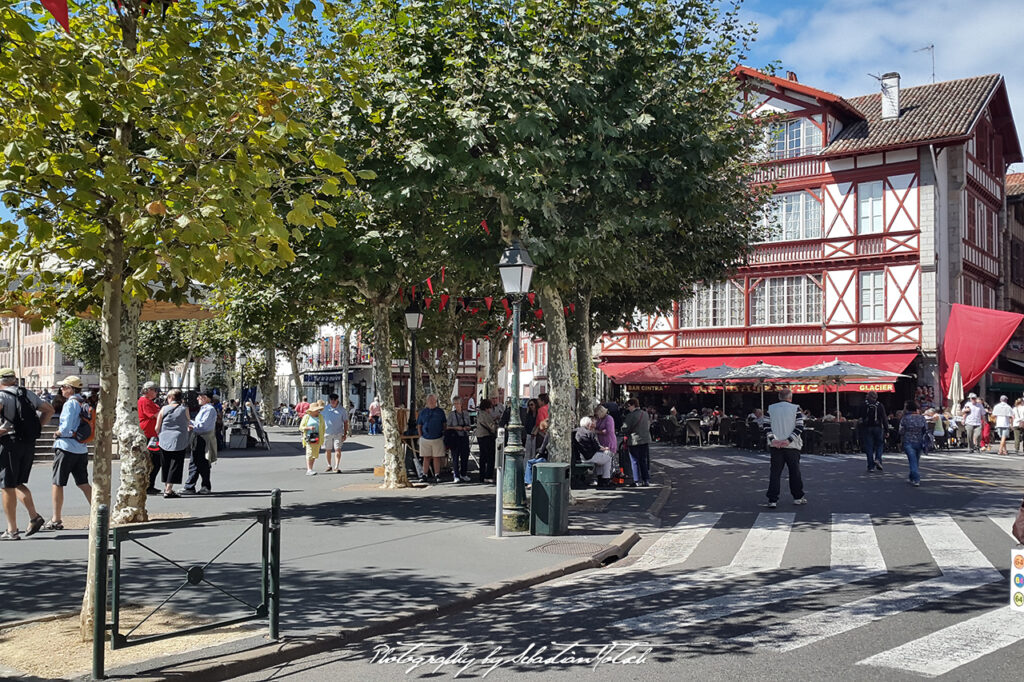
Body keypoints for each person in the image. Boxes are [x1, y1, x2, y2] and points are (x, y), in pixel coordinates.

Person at [0, 368, 54, 540]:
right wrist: (36, 427)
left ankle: (12, 530)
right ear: (14, 379)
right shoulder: (28, 394)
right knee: (16, 483)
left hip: (9, 442)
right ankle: (34, 517)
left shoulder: (2, 396)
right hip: (27, 443)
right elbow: (49, 410)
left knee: (7, 486)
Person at [48, 376, 94, 527]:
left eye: (64, 387)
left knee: (58, 483)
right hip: (80, 448)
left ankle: (56, 518)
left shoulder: (70, 404)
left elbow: (66, 427)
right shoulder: (83, 402)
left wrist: (58, 432)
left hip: (66, 446)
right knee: (83, 483)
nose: (61, 389)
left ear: (71, 389)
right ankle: (99, 513)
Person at [762, 388, 807, 508]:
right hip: (792, 445)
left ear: (779, 397)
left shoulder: (771, 409)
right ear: (790, 397)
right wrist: (788, 440)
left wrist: (773, 439)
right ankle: (798, 496)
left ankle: (772, 499)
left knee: (775, 473)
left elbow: (766, 425)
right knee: (794, 472)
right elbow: (799, 426)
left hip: (775, 445)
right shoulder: (795, 408)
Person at [156, 389, 190, 498]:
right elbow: (188, 423)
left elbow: (157, 427)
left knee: (165, 463)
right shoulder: (184, 409)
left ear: (171, 398)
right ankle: (169, 489)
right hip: (179, 439)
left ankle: (167, 486)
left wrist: (160, 434)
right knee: (175, 464)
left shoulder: (163, 409)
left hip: (164, 439)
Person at [182, 391, 217, 494]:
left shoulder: (209, 410)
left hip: (203, 437)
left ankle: (204, 486)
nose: (197, 398)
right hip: (198, 436)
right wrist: (190, 422)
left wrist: (192, 425)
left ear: (205, 398)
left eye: (200, 397)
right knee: (195, 462)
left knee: (202, 462)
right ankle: (190, 486)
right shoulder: (204, 409)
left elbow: (203, 425)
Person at [574, 416, 615, 489]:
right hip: (588, 456)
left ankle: (600, 478)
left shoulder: (576, 431)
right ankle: (605, 479)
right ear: (588, 424)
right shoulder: (589, 433)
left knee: (601, 459)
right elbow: (596, 447)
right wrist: (605, 448)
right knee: (608, 457)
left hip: (580, 456)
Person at [138, 381, 162, 494]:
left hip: (152, 434)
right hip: (149, 435)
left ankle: (150, 484)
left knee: (155, 461)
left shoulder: (150, 402)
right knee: (154, 461)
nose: (156, 392)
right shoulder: (145, 401)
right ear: (148, 391)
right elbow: (153, 415)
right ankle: (148, 485)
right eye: (154, 390)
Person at [417, 394, 447, 484]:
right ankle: (424, 474)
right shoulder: (423, 412)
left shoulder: (440, 412)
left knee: (436, 458)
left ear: (436, 401)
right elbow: (419, 425)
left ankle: (437, 474)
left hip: (437, 438)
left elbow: (444, 424)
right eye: (429, 400)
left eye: (433, 400)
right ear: (427, 402)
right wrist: (420, 436)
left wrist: (444, 434)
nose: (431, 402)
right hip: (425, 438)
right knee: (426, 457)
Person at [621, 399, 652, 486]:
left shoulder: (631, 415)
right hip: (645, 439)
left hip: (634, 440)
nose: (628, 408)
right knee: (643, 460)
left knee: (634, 460)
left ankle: (636, 480)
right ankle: (646, 480)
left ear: (633, 405)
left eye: (628, 406)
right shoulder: (645, 414)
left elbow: (625, 428)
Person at [899, 400, 929, 487]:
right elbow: (925, 429)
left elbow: (901, 431)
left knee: (912, 460)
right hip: (919, 441)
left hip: (908, 441)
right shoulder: (921, 418)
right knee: (916, 460)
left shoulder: (905, 418)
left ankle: (916, 478)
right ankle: (912, 476)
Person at [857, 391, 887, 472]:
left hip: (867, 427)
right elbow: (884, 418)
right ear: (876, 397)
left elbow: (858, 415)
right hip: (878, 427)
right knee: (880, 444)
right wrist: (887, 429)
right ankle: (878, 459)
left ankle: (871, 466)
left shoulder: (863, 404)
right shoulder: (880, 405)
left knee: (869, 446)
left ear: (868, 396)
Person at [446, 397, 472, 483]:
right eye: (455, 404)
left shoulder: (466, 414)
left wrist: (466, 428)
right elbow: (447, 427)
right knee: (455, 457)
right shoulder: (451, 415)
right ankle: (456, 475)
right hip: (455, 437)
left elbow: (469, 425)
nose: (456, 405)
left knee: (465, 456)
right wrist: (455, 428)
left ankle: (463, 474)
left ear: (461, 404)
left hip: (464, 436)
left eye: (458, 403)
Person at [322, 393, 350, 473]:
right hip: (327, 432)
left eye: (334, 400)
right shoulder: (325, 409)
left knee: (337, 449)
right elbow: (321, 420)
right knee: (328, 449)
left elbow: (345, 422)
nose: (333, 401)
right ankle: (329, 465)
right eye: (331, 400)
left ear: (337, 400)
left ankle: (336, 466)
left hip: (338, 432)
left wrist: (345, 433)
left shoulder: (342, 410)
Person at [474, 398, 498, 483]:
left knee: (483, 457)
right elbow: (492, 427)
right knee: (490, 457)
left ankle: (482, 475)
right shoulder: (485, 415)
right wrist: (496, 424)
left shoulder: (479, 414)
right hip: (486, 436)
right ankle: (488, 475)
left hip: (480, 436)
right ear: (487, 407)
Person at [300, 400, 325, 476]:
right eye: (317, 410)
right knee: (309, 452)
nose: (318, 411)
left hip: (317, 436)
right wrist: (308, 428)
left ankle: (311, 468)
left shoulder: (320, 417)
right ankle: (309, 469)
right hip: (309, 436)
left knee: (315, 453)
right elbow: (301, 427)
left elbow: (323, 427)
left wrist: (323, 436)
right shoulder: (306, 417)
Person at [524, 418, 549, 487]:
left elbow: (542, 449)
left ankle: (528, 481)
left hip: (545, 458)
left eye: (542, 430)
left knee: (529, 462)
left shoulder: (547, 435)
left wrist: (538, 452)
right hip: (547, 456)